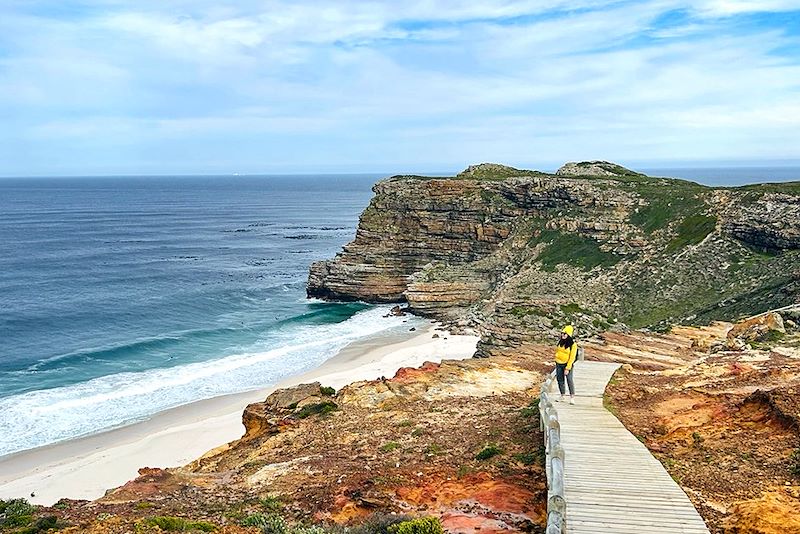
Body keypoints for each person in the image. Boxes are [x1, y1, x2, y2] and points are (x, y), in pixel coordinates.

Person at [554, 325, 578, 404]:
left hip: (567, 364)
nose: (563, 335)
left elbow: (572, 357)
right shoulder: (560, 342)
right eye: (562, 333)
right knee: (560, 379)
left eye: (565, 334)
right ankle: (562, 395)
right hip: (558, 363)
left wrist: (568, 368)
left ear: (569, 335)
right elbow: (558, 351)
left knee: (569, 380)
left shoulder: (573, 345)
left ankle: (572, 397)